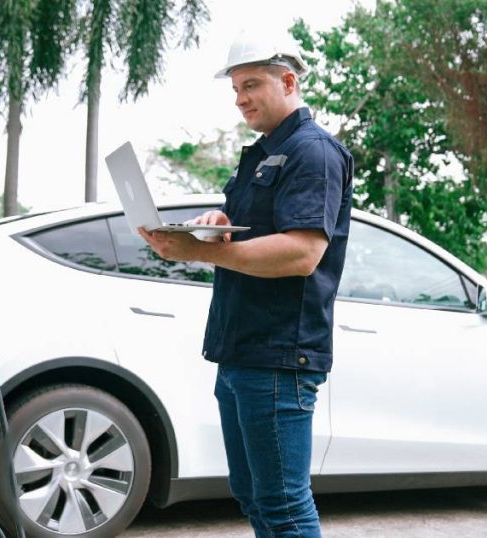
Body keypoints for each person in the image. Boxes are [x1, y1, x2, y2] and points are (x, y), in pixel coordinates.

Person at [137, 32, 354, 538]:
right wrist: (217, 222)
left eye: (251, 84)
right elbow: (254, 233)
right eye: (235, 88)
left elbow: (302, 253)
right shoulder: (261, 154)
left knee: (283, 506)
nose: (241, 99)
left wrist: (198, 250)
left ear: (289, 80)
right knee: (254, 497)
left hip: (279, 357)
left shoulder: (314, 152)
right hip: (240, 351)